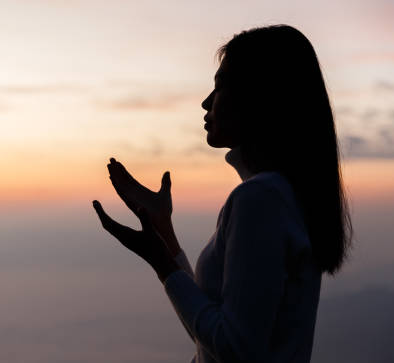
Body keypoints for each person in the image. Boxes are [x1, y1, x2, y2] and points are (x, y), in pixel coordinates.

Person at [92, 24, 353, 363]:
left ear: (258, 97)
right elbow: (213, 339)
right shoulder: (282, 196)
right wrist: (163, 234)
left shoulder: (260, 200)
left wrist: (162, 264)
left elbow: (236, 350)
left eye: (219, 87)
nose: (205, 103)